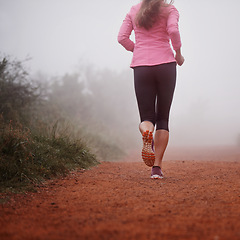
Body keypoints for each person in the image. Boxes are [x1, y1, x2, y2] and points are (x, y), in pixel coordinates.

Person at [118, 0, 184, 179]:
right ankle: (157, 169)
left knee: (147, 117)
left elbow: (121, 38)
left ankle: (146, 132)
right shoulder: (169, 9)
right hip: (166, 66)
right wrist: (178, 54)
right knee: (163, 118)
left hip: (141, 67)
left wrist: (137, 49)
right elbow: (173, 31)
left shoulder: (133, 10)